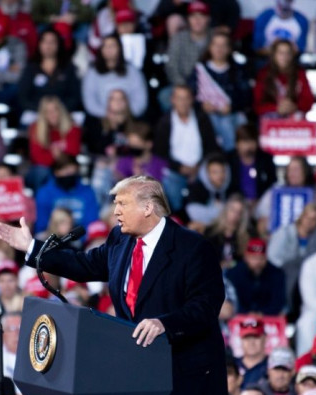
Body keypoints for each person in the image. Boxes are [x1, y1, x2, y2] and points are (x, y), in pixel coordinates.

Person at [0, 175, 231, 395]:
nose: (115, 210)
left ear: (148, 207)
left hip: (185, 375)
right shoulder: (120, 240)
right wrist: (32, 247)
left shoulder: (192, 248)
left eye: (122, 203)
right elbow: (85, 264)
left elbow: (205, 307)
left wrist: (163, 324)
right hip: (139, 371)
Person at [153, 84, 218, 212]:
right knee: (168, 183)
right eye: (179, 98)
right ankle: (175, 218)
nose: (183, 102)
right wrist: (179, 168)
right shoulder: (164, 122)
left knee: (214, 177)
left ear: (192, 100)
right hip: (175, 170)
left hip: (200, 168)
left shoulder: (202, 119)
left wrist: (199, 166)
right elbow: (160, 153)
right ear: (173, 100)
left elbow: (211, 146)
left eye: (186, 98)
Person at [17, 28, 81, 118]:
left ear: (58, 45)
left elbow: (75, 96)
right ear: (39, 44)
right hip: (36, 113)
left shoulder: (68, 68)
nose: (48, 45)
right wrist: (44, 111)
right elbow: (23, 97)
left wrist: (57, 111)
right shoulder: (31, 68)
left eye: (52, 42)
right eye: (45, 42)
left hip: (63, 113)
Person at [83, 34, 148, 119]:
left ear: (120, 48)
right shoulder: (92, 73)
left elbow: (140, 100)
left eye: (112, 46)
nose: (109, 49)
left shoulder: (132, 71)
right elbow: (90, 101)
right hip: (101, 119)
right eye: (105, 46)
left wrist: (125, 114)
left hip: (130, 118)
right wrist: (107, 114)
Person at [34, 156, 100, 235]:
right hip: (51, 236)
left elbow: (91, 222)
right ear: (56, 172)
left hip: (80, 238)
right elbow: (42, 224)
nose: (69, 176)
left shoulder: (87, 191)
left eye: (72, 173)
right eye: (66, 172)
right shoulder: (45, 192)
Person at [27, 96, 82, 189]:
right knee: (42, 172)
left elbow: (75, 150)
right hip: (43, 169)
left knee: (70, 171)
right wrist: (57, 153)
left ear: (60, 111)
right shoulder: (35, 128)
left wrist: (55, 151)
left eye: (55, 110)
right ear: (43, 114)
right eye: (48, 112)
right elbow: (37, 158)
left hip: (65, 167)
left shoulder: (72, 127)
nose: (52, 114)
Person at [254, 39, 314, 119]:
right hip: (270, 117)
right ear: (274, 55)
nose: (284, 57)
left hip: (294, 116)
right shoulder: (263, 74)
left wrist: (294, 107)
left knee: (298, 116)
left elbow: (308, 100)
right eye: (281, 53)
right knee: (268, 117)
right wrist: (276, 108)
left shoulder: (300, 73)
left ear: (292, 55)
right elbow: (257, 105)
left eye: (288, 53)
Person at [226, 238, 286, 316]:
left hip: (268, 318)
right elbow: (231, 300)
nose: (258, 262)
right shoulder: (234, 273)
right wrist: (247, 313)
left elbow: (278, 302)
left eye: (261, 258)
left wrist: (261, 314)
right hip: (239, 316)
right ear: (246, 257)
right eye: (254, 258)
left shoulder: (276, 274)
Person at [235, 317, 268, 389]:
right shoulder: (232, 366)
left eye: (256, 337)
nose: (251, 342)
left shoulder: (272, 367)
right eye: (247, 338)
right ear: (241, 340)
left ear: (265, 338)